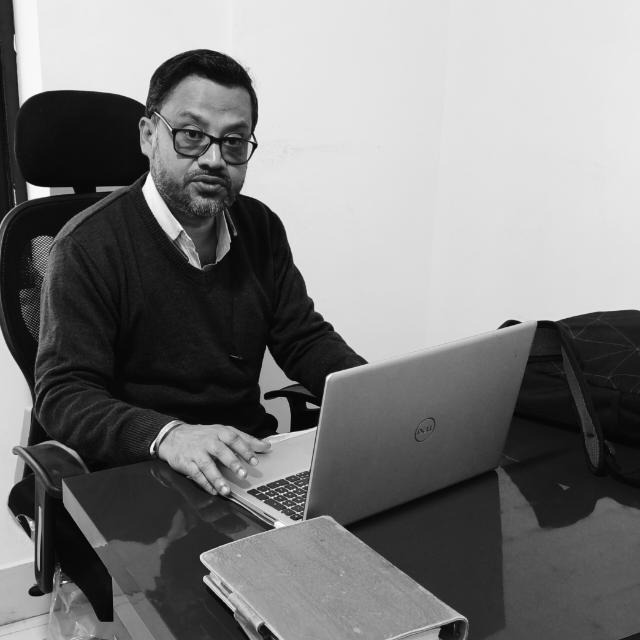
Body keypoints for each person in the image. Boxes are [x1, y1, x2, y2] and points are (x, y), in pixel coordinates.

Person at [34, 49, 366, 496]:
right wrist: (170, 436)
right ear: (149, 135)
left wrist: (372, 396)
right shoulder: (86, 246)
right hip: (140, 475)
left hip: (245, 463)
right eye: (191, 135)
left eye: (234, 141)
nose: (214, 158)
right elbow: (64, 394)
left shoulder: (260, 227)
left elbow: (302, 338)